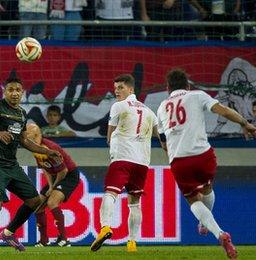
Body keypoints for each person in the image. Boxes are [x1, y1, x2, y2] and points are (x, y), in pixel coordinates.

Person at [157, 68, 255, 259]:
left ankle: (220, 233)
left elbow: (162, 140)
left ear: (168, 88)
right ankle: (204, 222)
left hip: (179, 160)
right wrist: (245, 123)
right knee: (207, 188)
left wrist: (172, 154)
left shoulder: (162, 107)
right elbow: (224, 111)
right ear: (187, 85)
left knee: (193, 199)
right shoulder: (197, 95)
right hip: (203, 155)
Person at [0, 78, 62, 251]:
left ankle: (8, 233)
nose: (14, 93)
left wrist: (47, 151)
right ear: (5, 92)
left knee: (34, 200)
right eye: (11, 90)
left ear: (22, 93)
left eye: (18, 90)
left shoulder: (21, 113)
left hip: (12, 164)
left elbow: (24, 141)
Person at [90, 74, 160, 253]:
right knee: (134, 202)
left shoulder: (119, 106)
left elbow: (110, 133)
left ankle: (105, 227)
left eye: (120, 88)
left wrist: (111, 143)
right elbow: (160, 136)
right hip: (142, 162)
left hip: (122, 158)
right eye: (115, 89)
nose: (116, 91)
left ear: (131, 89)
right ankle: (132, 243)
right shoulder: (149, 112)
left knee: (110, 193)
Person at [27, 123, 79, 247]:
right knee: (38, 205)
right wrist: (50, 186)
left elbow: (63, 171)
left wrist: (53, 187)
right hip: (56, 175)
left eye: (27, 133)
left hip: (69, 175)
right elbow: (45, 168)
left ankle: (64, 239)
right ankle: (44, 240)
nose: (24, 135)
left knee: (52, 203)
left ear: (35, 134)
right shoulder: (34, 148)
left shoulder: (49, 148)